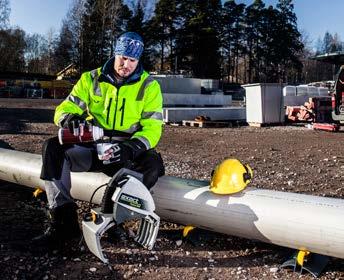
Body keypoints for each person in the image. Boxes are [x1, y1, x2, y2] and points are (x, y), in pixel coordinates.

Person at [33, 32, 165, 249]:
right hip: (92, 148)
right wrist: (69, 119)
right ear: (115, 54)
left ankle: (114, 220)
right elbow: (64, 109)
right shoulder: (90, 79)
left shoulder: (149, 86)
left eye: (132, 60)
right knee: (53, 148)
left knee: (152, 164)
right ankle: (64, 225)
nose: (126, 64)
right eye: (122, 57)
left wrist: (133, 147)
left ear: (138, 60)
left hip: (124, 154)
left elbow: (153, 128)